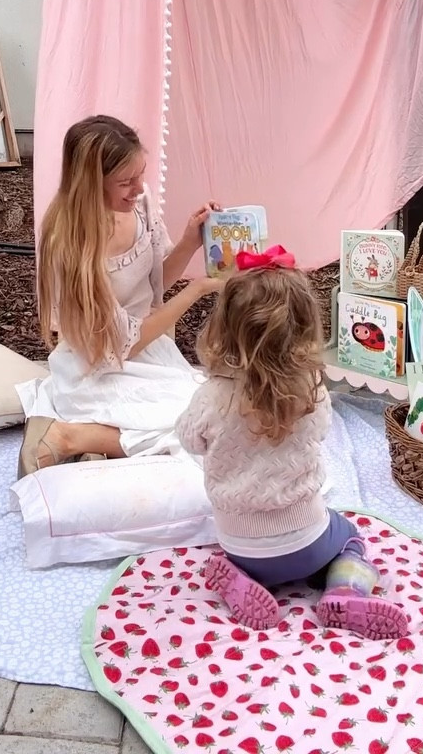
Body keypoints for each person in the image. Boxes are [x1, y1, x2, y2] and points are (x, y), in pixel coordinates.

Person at [176, 248, 409, 638]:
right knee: (349, 537)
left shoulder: (213, 396)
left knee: (245, 553)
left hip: (240, 543)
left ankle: (241, 579)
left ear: (225, 326)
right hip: (308, 541)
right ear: (303, 327)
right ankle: (344, 588)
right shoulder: (311, 391)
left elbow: (190, 440)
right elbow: (319, 433)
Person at [16, 114, 222, 477]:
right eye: (126, 182)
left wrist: (192, 239)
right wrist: (198, 290)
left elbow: (155, 282)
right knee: (193, 433)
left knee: (214, 413)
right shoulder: (70, 244)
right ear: (91, 184)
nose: (139, 188)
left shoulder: (139, 206)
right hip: (98, 365)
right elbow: (124, 343)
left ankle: (99, 445)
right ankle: (70, 438)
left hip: (148, 352)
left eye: (140, 174)